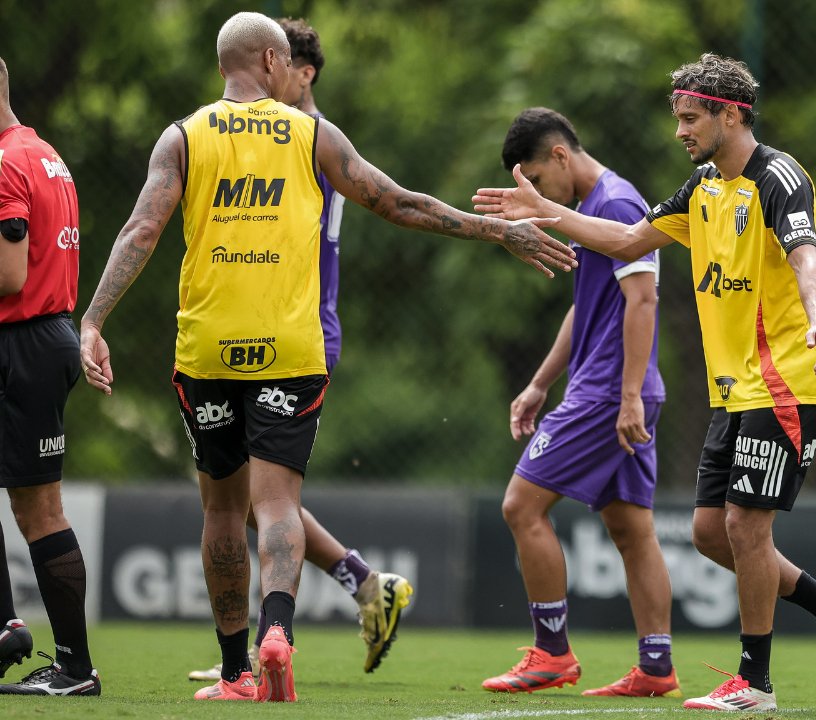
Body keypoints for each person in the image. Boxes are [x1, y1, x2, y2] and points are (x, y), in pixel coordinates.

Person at [78, 12, 574, 703]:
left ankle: (233, 673)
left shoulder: (182, 137)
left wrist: (94, 319)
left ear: (227, 65)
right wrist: (497, 230)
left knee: (223, 511)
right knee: (278, 501)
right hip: (292, 345)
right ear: (275, 62)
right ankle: (276, 633)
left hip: (209, 348)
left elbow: (141, 228)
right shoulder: (312, 134)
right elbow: (400, 203)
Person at [475, 53, 816, 713]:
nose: (680, 130)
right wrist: (545, 214)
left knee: (747, 529)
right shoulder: (701, 187)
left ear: (730, 113)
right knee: (707, 533)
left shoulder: (779, 178)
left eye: (691, 117)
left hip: (784, 380)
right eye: (678, 117)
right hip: (735, 390)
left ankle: (755, 683)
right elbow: (628, 241)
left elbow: (806, 255)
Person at [185, 15, 413, 685]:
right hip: (269, 325)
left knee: (256, 499)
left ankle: (307, 615)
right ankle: (361, 590)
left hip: (299, 324)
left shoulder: (310, 137)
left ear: (297, 71)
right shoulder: (282, 132)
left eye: (283, 62)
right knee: (260, 499)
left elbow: (392, 203)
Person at [479, 108, 677, 698]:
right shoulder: (592, 210)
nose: (536, 195)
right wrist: (540, 382)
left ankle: (552, 653)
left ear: (560, 157)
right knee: (631, 528)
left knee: (521, 506)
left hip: (610, 393)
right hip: (614, 389)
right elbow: (586, 306)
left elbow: (643, 303)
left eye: (537, 181)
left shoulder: (615, 205)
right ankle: (656, 665)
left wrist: (626, 398)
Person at [0, 57, 100, 697]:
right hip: (46, 334)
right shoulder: (42, 152)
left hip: (19, 341)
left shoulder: (5, 163)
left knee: (40, 511)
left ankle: (74, 669)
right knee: (37, 506)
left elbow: (8, 276)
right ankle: (12, 631)